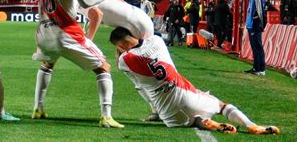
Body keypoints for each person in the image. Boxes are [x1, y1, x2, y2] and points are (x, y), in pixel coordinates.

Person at [109, 26, 280, 135]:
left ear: (120, 47)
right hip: (184, 92)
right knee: (221, 106)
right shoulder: (157, 40)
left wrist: (120, 53)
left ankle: (203, 122)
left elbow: (121, 62)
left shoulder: (124, 60)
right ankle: (251, 125)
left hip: (167, 113)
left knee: (191, 121)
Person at [31, 0, 126, 128]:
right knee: (104, 67)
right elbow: (86, 1)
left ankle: (37, 108)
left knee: (47, 63)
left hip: (44, 33)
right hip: (66, 33)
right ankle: (106, 117)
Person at [78, 0, 161, 122]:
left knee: (136, 73)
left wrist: (88, 41)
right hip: (137, 22)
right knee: (131, 68)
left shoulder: (79, 0)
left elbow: (97, 15)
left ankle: (160, 108)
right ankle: (160, 107)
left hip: (138, 27)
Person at [244, 0, 266, 75]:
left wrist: (257, 25)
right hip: (251, 25)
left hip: (254, 26)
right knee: (255, 48)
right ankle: (256, 68)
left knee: (257, 47)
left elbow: (260, 13)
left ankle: (260, 69)